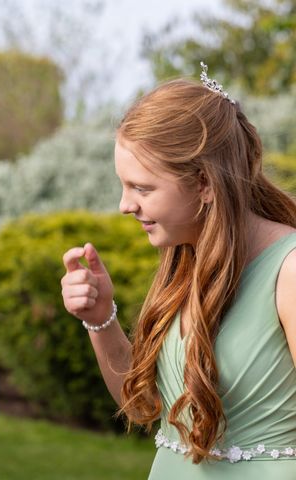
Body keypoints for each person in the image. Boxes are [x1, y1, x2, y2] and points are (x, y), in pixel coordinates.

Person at [61, 64, 296, 479]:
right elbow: (144, 407)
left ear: (205, 183)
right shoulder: (183, 259)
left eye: (142, 188)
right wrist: (100, 319)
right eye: (123, 185)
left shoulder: (288, 270)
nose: (124, 205)